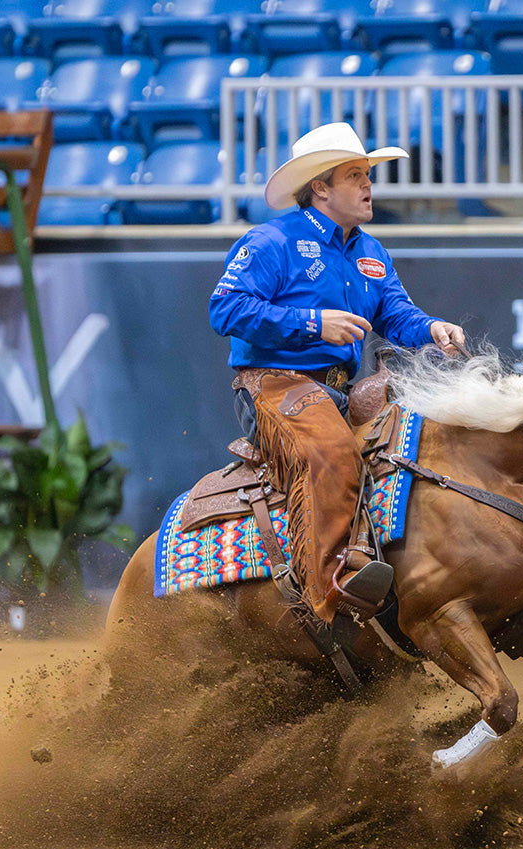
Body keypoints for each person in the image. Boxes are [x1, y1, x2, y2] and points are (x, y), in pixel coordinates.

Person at [209, 122, 465, 624]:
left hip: (340, 390)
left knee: (421, 444)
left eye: (368, 174)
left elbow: (395, 313)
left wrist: (431, 328)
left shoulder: (371, 251)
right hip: (272, 383)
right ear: (320, 188)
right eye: (354, 175)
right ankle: (329, 593)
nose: (368, 184)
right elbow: (225, 308)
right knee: (331, 451)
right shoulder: (271, 241)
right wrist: (311, 323)